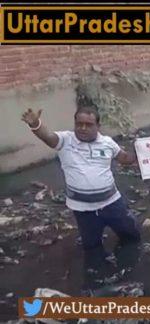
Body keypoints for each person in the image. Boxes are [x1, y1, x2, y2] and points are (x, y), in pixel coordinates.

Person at [20, 106, 141, 256]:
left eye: (89, 125)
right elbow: (48, 137)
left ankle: (128, 265)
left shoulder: (107, 143)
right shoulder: (65, 140)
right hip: (84, 210)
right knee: (92, 247)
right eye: (79, 124)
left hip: (112, 203)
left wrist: (140, 150)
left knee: (131, 236)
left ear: (98, 126)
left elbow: (124, 158)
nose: (83, 128)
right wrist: (35, 125)